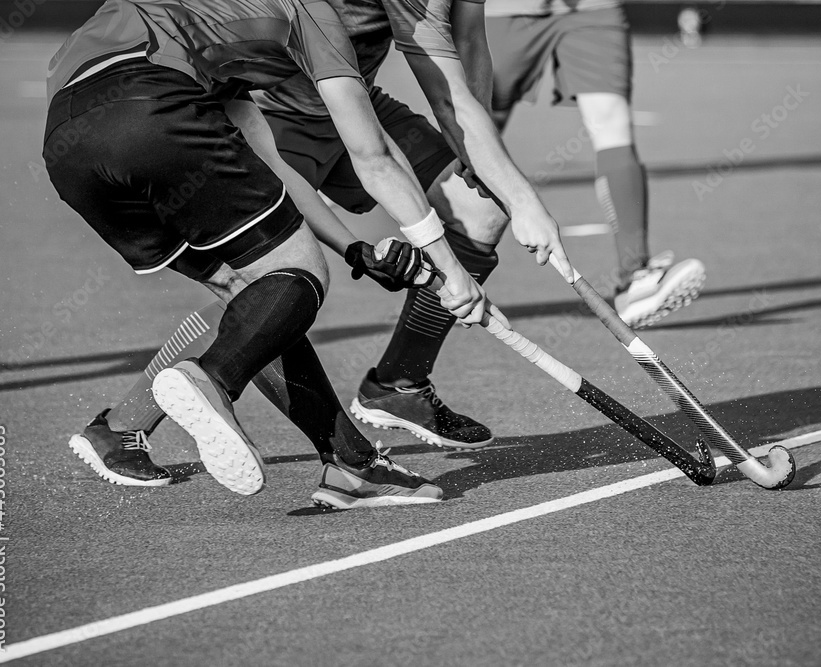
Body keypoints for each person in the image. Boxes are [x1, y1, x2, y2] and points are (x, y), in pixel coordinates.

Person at [47, 0, 563, 508]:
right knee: (296, 275)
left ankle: (351, 464)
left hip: (70, 145)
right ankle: (212, 379)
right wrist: (451, 271)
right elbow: (373, 156)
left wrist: (353, 248)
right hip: (159, 111)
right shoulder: (313, 14)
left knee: (250, 288)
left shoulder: (206, 31)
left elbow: (267, 160)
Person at [484, 0, 706, 327]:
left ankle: (635, 279)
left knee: (611, 121)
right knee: (481, 130)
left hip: (592, 8)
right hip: (505, 10)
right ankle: (447, 264)